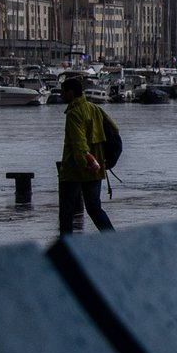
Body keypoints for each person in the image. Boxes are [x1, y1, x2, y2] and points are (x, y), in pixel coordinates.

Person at [57, 74, 116, 235]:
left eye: (63, 91)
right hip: (96, 168)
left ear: (70, 92)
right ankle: (113, 239)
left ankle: (66, 246)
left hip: (75, 169)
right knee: (95, 209)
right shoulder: (94, 108)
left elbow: (78, 143)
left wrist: (86, 162)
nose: (61, 95)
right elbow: (113, 131)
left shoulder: (74, 113)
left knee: (66, 212)